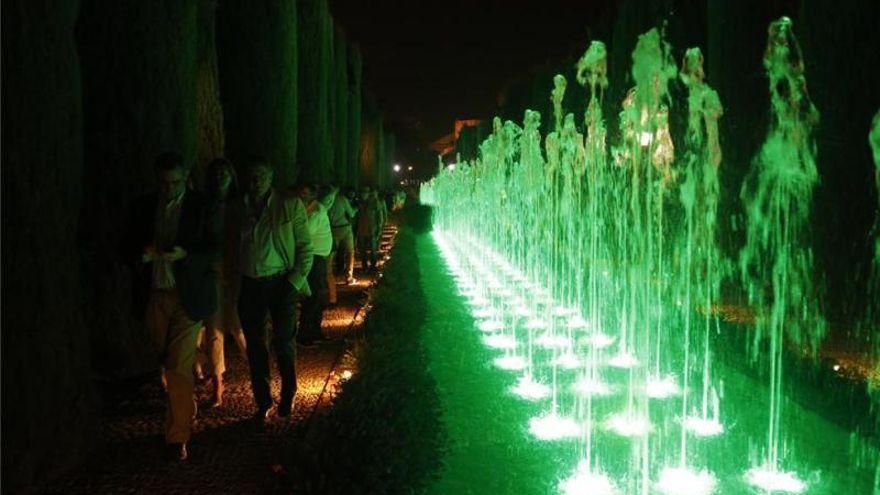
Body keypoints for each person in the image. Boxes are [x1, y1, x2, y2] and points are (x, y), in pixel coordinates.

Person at [125, 151, 220, 461]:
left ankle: (177, 435)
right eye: (164, 183)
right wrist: (142, 255)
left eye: (176, 182)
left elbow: (215, 248)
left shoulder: (201, 206)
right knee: (165, 360)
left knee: (179, 364)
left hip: (186, 296)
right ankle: (183, 408)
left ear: (186, 179)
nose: (170, 189)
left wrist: (186, 255)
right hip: (155, 293)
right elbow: (125, 243)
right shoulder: (142, 206)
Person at [237, 160, 313, 422]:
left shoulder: (289, 205)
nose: (256, 180)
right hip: (249, 283)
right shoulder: (239, 206)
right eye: (253, 175)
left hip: (281, 281)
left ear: (271, 179)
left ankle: (289, 390)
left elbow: (305, 246)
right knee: (255, 346)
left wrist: (293, 282)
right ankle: (263, 401)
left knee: (283, 340)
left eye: (261, 175)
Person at [195, 158, 248, 408]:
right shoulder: (204, 207)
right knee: (214, 329)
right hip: (213, 272)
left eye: (225, 173)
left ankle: (260, 372)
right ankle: (218, 384)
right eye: (216, 174)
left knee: (239, 325)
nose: (220, 177)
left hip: (239, 272)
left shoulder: (242, 205)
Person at [296, 183, 334, 345]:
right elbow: (307, 234)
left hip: (318, 257)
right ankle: (306, 335)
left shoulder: (315, 210)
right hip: (315, 257)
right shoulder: (317, 211)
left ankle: (314, 331)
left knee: (317, 296)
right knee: (315, 296)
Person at [326, 184, 356, 294]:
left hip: (332, 229)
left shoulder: (325, 201)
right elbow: (351, 213)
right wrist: (356, 209)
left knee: (331, 254)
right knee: (350, 252)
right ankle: (349, 277)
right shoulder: (342, 199)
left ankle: (328, 277)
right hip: (345, 228)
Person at [356, 187, 383, 273]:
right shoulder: (358, 203)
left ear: (368, 193)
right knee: (362, 249)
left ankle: (373, 266)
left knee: (373, 249)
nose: (363, 194)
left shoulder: (375, 202)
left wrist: (379, 229)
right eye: (362, 193)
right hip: (361, 229)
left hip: (372, 229)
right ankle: (364, 266)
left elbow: (380, 217)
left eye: (365, 192)